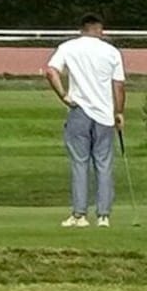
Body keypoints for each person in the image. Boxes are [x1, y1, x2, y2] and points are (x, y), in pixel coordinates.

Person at [45, 13, 126, 228]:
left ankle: (79, 215)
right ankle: (103, 216)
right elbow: (118, 85)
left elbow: (51, 71)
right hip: (105, 114)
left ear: (82, 29)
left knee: (80, 163)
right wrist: (119, 112)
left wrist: (63, 95)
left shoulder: (68, 47)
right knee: (104, 163)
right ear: (99, 29)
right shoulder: (111, 51)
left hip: (79, 109)